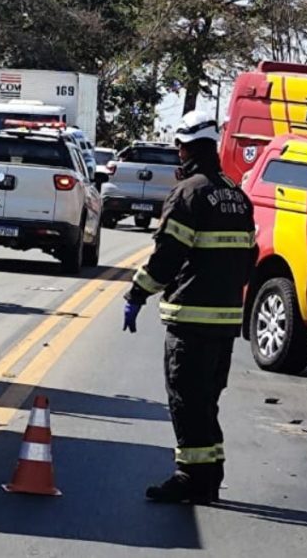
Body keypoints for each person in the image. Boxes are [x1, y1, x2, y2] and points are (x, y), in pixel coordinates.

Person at [123, 110, 257, 504]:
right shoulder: (237, 196)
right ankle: (209, 477)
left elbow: (167, 256)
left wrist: (137, 293)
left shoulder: (188, 194)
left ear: (183, 149)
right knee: (206, 401)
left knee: (186, 400)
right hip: (226, 320)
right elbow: (250, 256)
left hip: (191, 319)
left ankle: (190, 477)